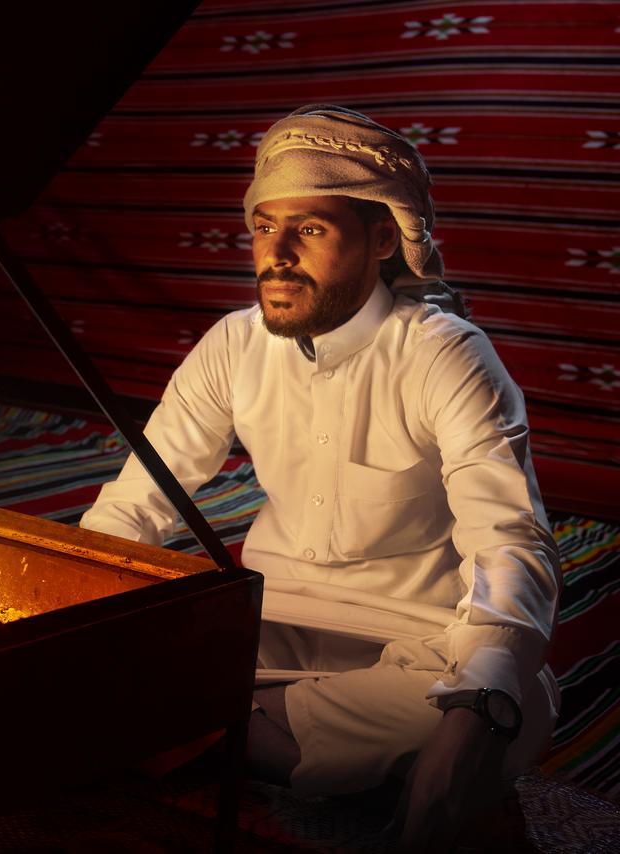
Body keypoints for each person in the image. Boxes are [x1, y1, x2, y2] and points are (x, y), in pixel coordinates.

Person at [80, 105, 560, 850]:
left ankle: (209, 737)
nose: (275, 253)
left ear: (379, 240)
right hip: (262, 628)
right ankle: (296, 749)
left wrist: (477, 705)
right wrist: (72, 619)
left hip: (415, 641)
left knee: (514, 700)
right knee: (90, 653)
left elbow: (511, 538)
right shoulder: (232, 345)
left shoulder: (445, 353)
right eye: (263, 227)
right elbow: (138, 502)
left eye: (308, 229)